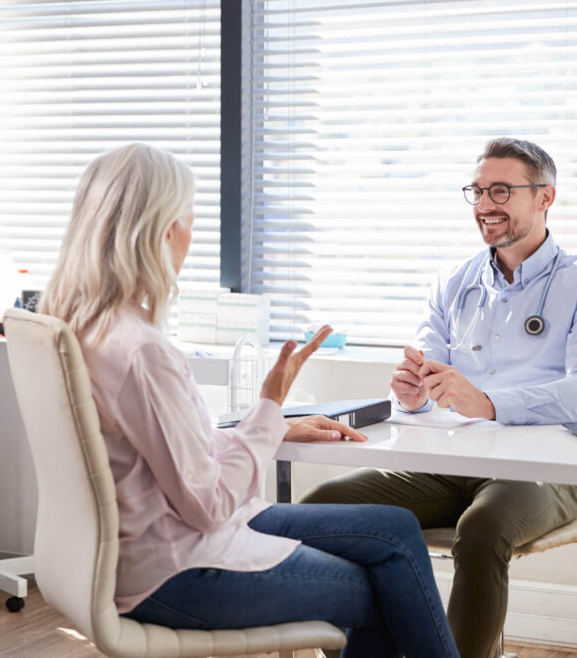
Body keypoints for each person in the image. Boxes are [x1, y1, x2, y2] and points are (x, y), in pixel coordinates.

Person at [40, 143, 459, 658]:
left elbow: (157, 451)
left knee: (395, 529)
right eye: (188, 219)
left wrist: (273, 428)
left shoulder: (81, 327)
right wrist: (268, 406)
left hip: (139, 550)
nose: (190, 236)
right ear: (162, 230)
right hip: (179, 569)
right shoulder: (141, 351)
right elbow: (210, 504)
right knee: (381, 586)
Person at [302, 137, 577, 658]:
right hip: (448, 462)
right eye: (476, 191)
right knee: (321, 507)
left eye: (501, 190)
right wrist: (412, 394)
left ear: (545, 198)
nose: (485, 205)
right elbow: (429, 390)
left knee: (483, 528)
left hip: (545, 467)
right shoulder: (453, 282)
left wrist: (491, 403)